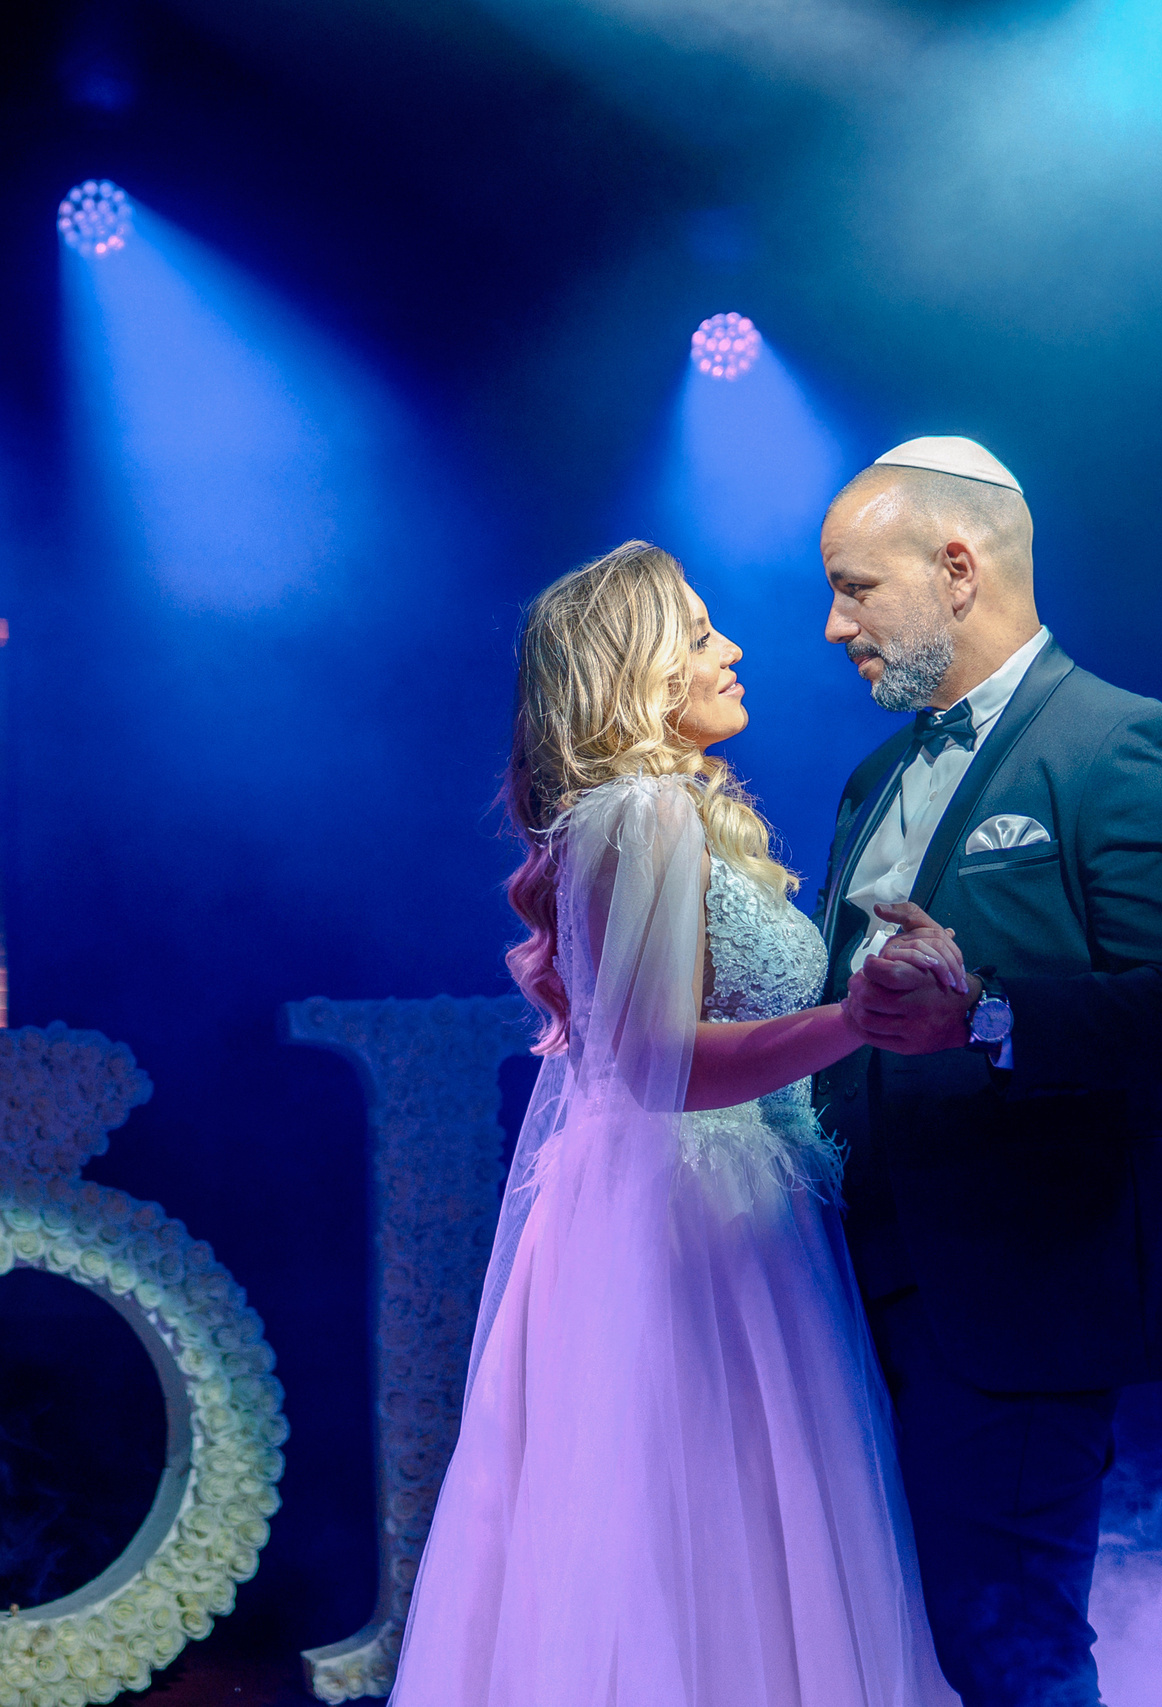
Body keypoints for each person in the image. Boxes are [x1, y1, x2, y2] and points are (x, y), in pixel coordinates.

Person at [389, 541, 961, 1706]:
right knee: (714, 1538)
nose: (733, 650)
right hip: (694, 1231)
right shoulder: (642, 810)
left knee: (702, 1546)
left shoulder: (641, 813)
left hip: (700, 1212)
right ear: (636, 667)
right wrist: (854, 1018)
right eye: (700, 633)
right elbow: (654, 1066)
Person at [812, 437, 1162, 1707]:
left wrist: (989, 1014)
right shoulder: (873, 776)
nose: (831, 623)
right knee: (887, 1641)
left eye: (854, 586)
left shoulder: (1129, 743)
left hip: (1017, 1296)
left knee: (1005, 1649)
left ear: (955, 568)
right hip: (845, 1289)